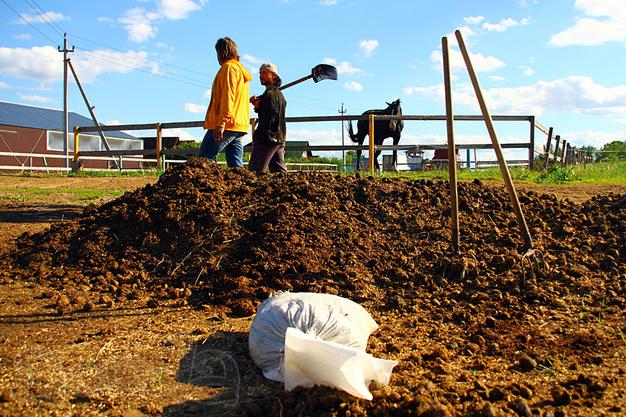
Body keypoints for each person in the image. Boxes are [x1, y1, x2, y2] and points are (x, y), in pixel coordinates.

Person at [199, 37, 252, 167]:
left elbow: (228, 96)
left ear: (221, 52)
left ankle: (199, 187)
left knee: (202, 161)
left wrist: (221, 123)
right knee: (236, 168)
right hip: (239, 125)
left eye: (217, 53)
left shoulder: (228, 69)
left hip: (227, 123)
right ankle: (240, 187)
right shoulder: (239, 70)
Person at [248, 62, 287, 173]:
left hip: (268, 138)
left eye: (264, 73)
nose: (261, 75)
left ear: (273, 75)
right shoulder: (276, 95)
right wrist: (258, 106)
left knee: (255, 171)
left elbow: (272, 117)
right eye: (260, 73)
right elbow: (270, 113)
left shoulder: (270, 95)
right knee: (280, 174)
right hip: (278, 138)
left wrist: (260, 135)